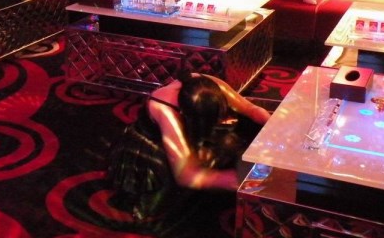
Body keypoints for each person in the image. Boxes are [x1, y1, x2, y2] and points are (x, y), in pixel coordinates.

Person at [107, 70, 271, 221]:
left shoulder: (210, 84)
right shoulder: (164, 110)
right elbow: (186, 176)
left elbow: (251, 109)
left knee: (239, 130)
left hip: (190, 127)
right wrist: (242, 180)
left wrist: (275, 127)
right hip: (154, 145)